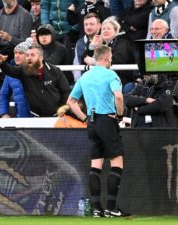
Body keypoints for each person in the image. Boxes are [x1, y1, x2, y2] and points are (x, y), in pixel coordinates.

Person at [67, 45, 128, 217]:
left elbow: (71, 101)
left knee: (96, 164)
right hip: (107, 121)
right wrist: (120, 115)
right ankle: (111, 207)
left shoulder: (85, 76)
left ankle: (96, 209)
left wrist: (85, 118)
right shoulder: (110, 74)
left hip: (91, 123)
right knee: (116, 161)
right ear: (108, 58)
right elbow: (118, 96)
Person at [0, 44, 71, 117]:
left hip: (57, 115)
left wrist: (63, 110)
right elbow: (10, 71)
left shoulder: (55, 71)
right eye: (27, 55)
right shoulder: (23, 70)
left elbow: (66, 92)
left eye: (32, 55)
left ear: (41, 57)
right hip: (35, 116)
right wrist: (2, 63)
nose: (29, 58)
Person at [85, 17, 135, 87]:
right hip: (103, 80)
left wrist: (96, 62)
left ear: (116, 31)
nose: (105, 31)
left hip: (120, 81)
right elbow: (84, 60)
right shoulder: (102, 45)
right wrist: (92, 46)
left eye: (108, 29)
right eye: (103, 29)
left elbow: (118, 60)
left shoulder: (123, 42)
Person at [0, 40, 32, 118]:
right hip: (21, 118)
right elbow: (3, 95)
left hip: (39, 119)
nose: (16, 56)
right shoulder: (10, 73)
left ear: (28, 55)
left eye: (20, 53)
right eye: (15, 53)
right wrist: (4, 113)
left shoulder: (37, 71)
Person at [73, 13, 102, 82]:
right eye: (86, 24)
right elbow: (76, 65)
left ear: (99, 25)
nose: (88, 27)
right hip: (84, 83)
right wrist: (80, 83)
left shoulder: (105, 40)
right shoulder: (79, 43)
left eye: (91, 24)